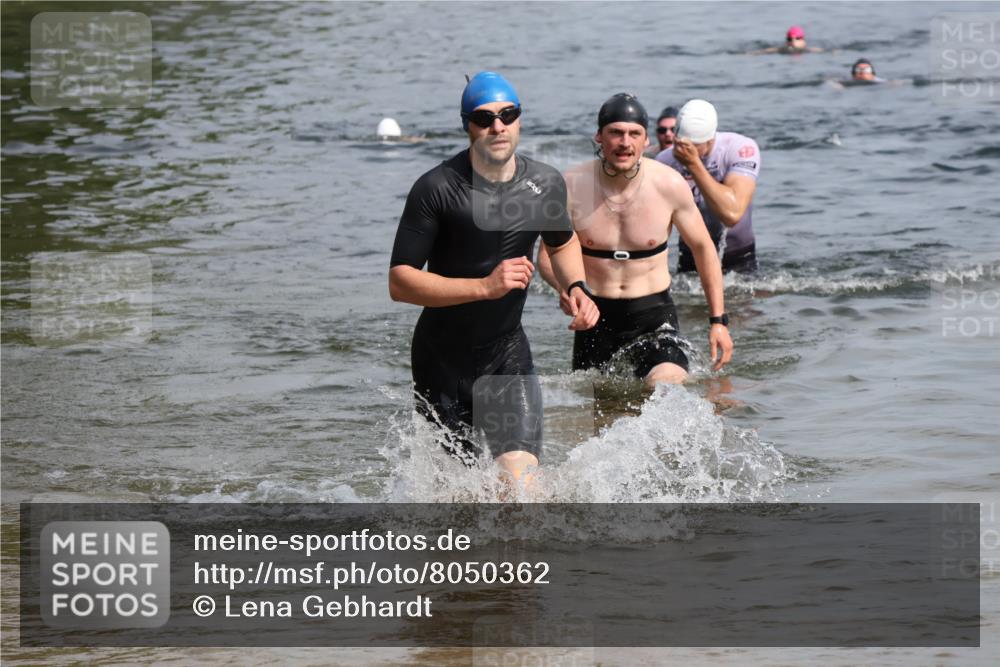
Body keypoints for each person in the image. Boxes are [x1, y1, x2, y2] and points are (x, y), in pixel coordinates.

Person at [389, 71, 599, 487]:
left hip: (506, 357)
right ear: (467, 125)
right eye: (484, 118)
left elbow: (562, 243)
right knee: (456, 498)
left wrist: (575, 286)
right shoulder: (437, 189)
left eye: (508, 114)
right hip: (441, 365)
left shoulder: (543, 184)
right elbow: (400, 282)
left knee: (520, 487)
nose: (497, 126)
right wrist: (484, 286)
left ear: (520, 119)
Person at [538, 93, 732, 387]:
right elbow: (547, 255)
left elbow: (703, 249)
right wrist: (568, 289)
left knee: (665, 387)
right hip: (595, 319)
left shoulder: (668, 184)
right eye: (615, 132)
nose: (625, 142)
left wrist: (719, 321)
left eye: (634, 134)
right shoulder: (570, 186)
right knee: (602, 423)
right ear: (599, 136)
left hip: (654, 315)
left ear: (645, 141)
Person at [656, 99, 761, 274]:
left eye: (693, 146)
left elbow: (731, 214)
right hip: (691, 256)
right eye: (679, 143)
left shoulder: (739, 148)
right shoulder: (665, 160)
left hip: (738, 256)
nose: (683, 149)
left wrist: (694, 165)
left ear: (710, 139)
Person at [752, 25, 824, 54]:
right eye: (790, 39)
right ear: (786, 41)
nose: (793, 41)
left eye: (797, 38)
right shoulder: (780, 49)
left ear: (803, 40)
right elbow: (764, 51)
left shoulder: (811, 50)